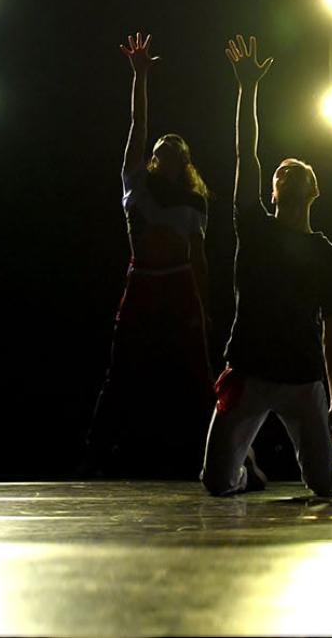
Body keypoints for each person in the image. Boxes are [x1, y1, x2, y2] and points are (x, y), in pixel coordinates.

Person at [200, 35, 332, 498]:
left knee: (325, 484)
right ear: (274, 193)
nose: (288, 171)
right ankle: (246, 474)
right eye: (281, 172)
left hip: (300, 378)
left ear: (315, 191)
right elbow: (245, 153)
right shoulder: (255, 228)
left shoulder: (331, 258)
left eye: (300, 171)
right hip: (249, 370)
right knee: (215, 482)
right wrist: (248, 89)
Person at [82, 32, 214, 478]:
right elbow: (138, 125)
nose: (164, 155)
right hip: (142, 282)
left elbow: (199, 257)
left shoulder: (194, 203)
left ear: (184, 162)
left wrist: (204, 303)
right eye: (160, 151)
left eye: (173, 152)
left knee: (195, 374)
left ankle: (215, 453)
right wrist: (140, 77)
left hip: (178, 285)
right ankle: (96, 455)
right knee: (122, 372)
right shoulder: (135, 183)